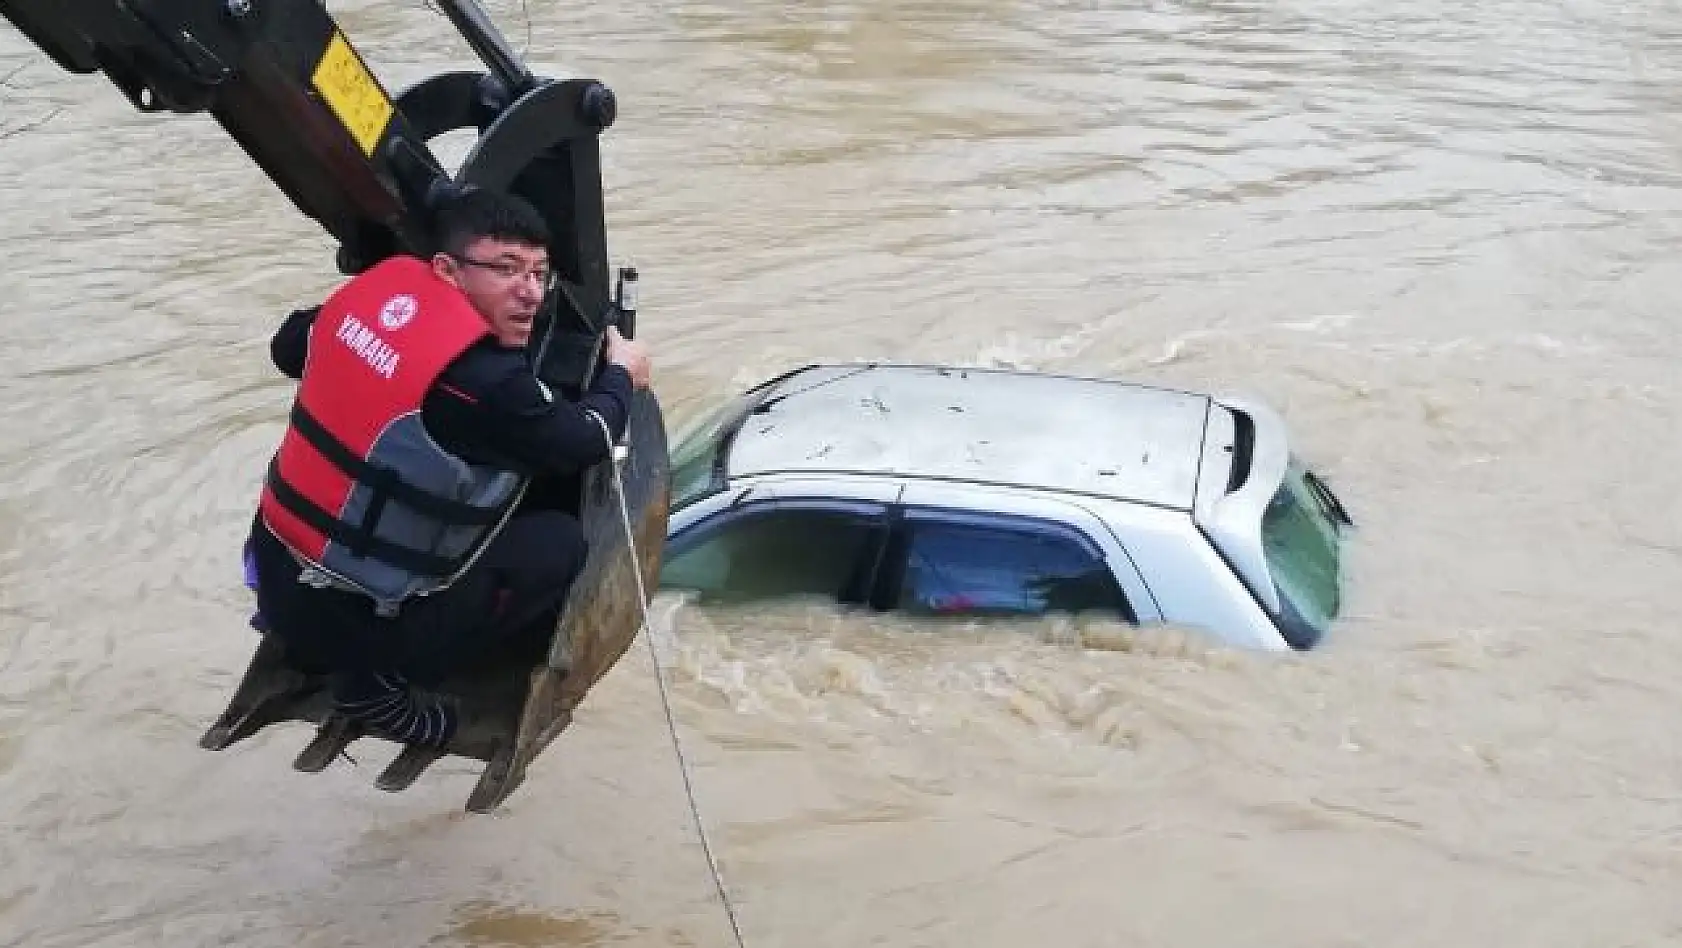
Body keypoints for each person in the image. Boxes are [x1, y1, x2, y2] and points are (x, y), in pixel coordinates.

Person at [243, 187, 652, 748]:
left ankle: (323, 639)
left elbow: (288, 346)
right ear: (448, 271)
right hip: (352, 627)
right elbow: (584, 440)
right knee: (558, 544)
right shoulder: (482, 383)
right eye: (505, 270)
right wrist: (621, 374)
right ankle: (377, 683)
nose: (529, 294)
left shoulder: (369, 298)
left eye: (538, 274)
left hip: (275, 578)